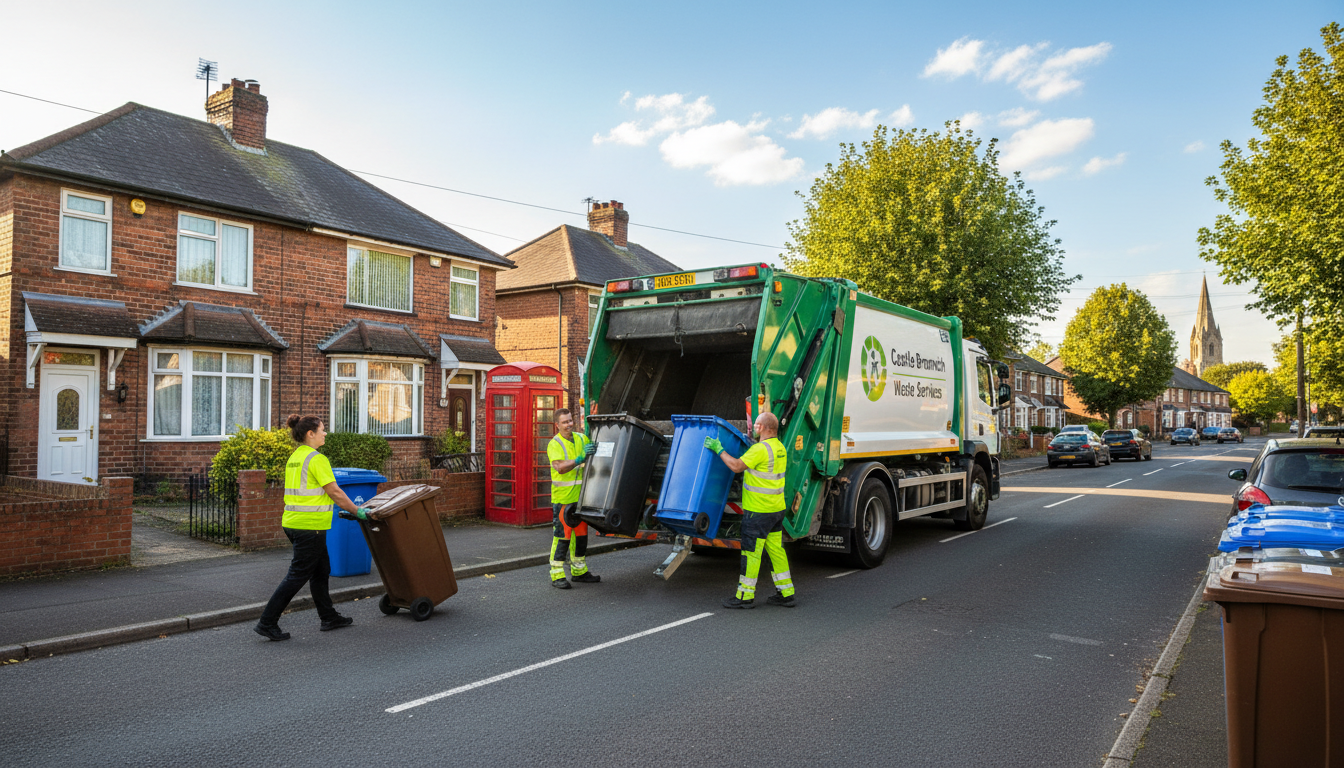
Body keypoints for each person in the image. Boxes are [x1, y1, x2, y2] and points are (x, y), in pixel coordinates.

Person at [254, 415, 371, 641]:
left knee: (320, 571)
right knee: (297, 576)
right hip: (310, 527)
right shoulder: (317, 459)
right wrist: (359, 512)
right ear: (310, 434)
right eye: (322, 430)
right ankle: (267, 622)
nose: (324, 433)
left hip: (294, 523)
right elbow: (335, 492)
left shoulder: (295, 457)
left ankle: (328, 617)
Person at [705, 411, 796, 609]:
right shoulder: (779, 448)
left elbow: (737, 466)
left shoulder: (760, 450)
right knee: (776, 550)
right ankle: (786, 593)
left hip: (758, 512)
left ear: (763, 427)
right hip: (776, 510)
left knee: (751, 553)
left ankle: (745, 596)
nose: (754, 427)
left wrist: (718, 449)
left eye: (756, 424)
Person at [547, 408, 599, 589]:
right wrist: (579, 459)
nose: (569, 424)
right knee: (562, 537)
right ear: (557, 425)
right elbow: (560, 467)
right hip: (563, 500)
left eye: (570, 420)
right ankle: (557, 575)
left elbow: (594, 455)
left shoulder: (581, 438)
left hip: (582, 499)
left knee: (581, 536)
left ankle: (579, 572)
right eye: (565, 422)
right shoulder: (554, 444)